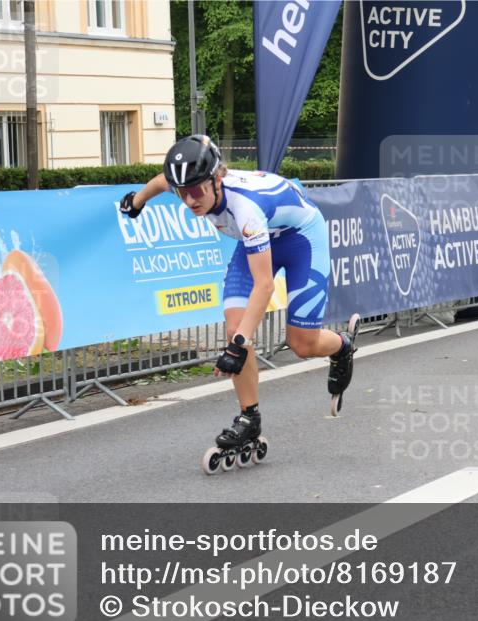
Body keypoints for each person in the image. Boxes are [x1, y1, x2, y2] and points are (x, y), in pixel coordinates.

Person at [120, 135, 360, 472]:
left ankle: (341, 346)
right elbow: (163, 181)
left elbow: (264, 286)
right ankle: (250, 417)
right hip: (262, 236)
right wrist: (137, 202)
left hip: (301, 238)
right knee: (235, 328)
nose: (190, 200)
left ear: (217, 179)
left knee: (301, 344)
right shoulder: (191, 184)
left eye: (196, 191)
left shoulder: (244, 208)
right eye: (183, 192)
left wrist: (237, 345)